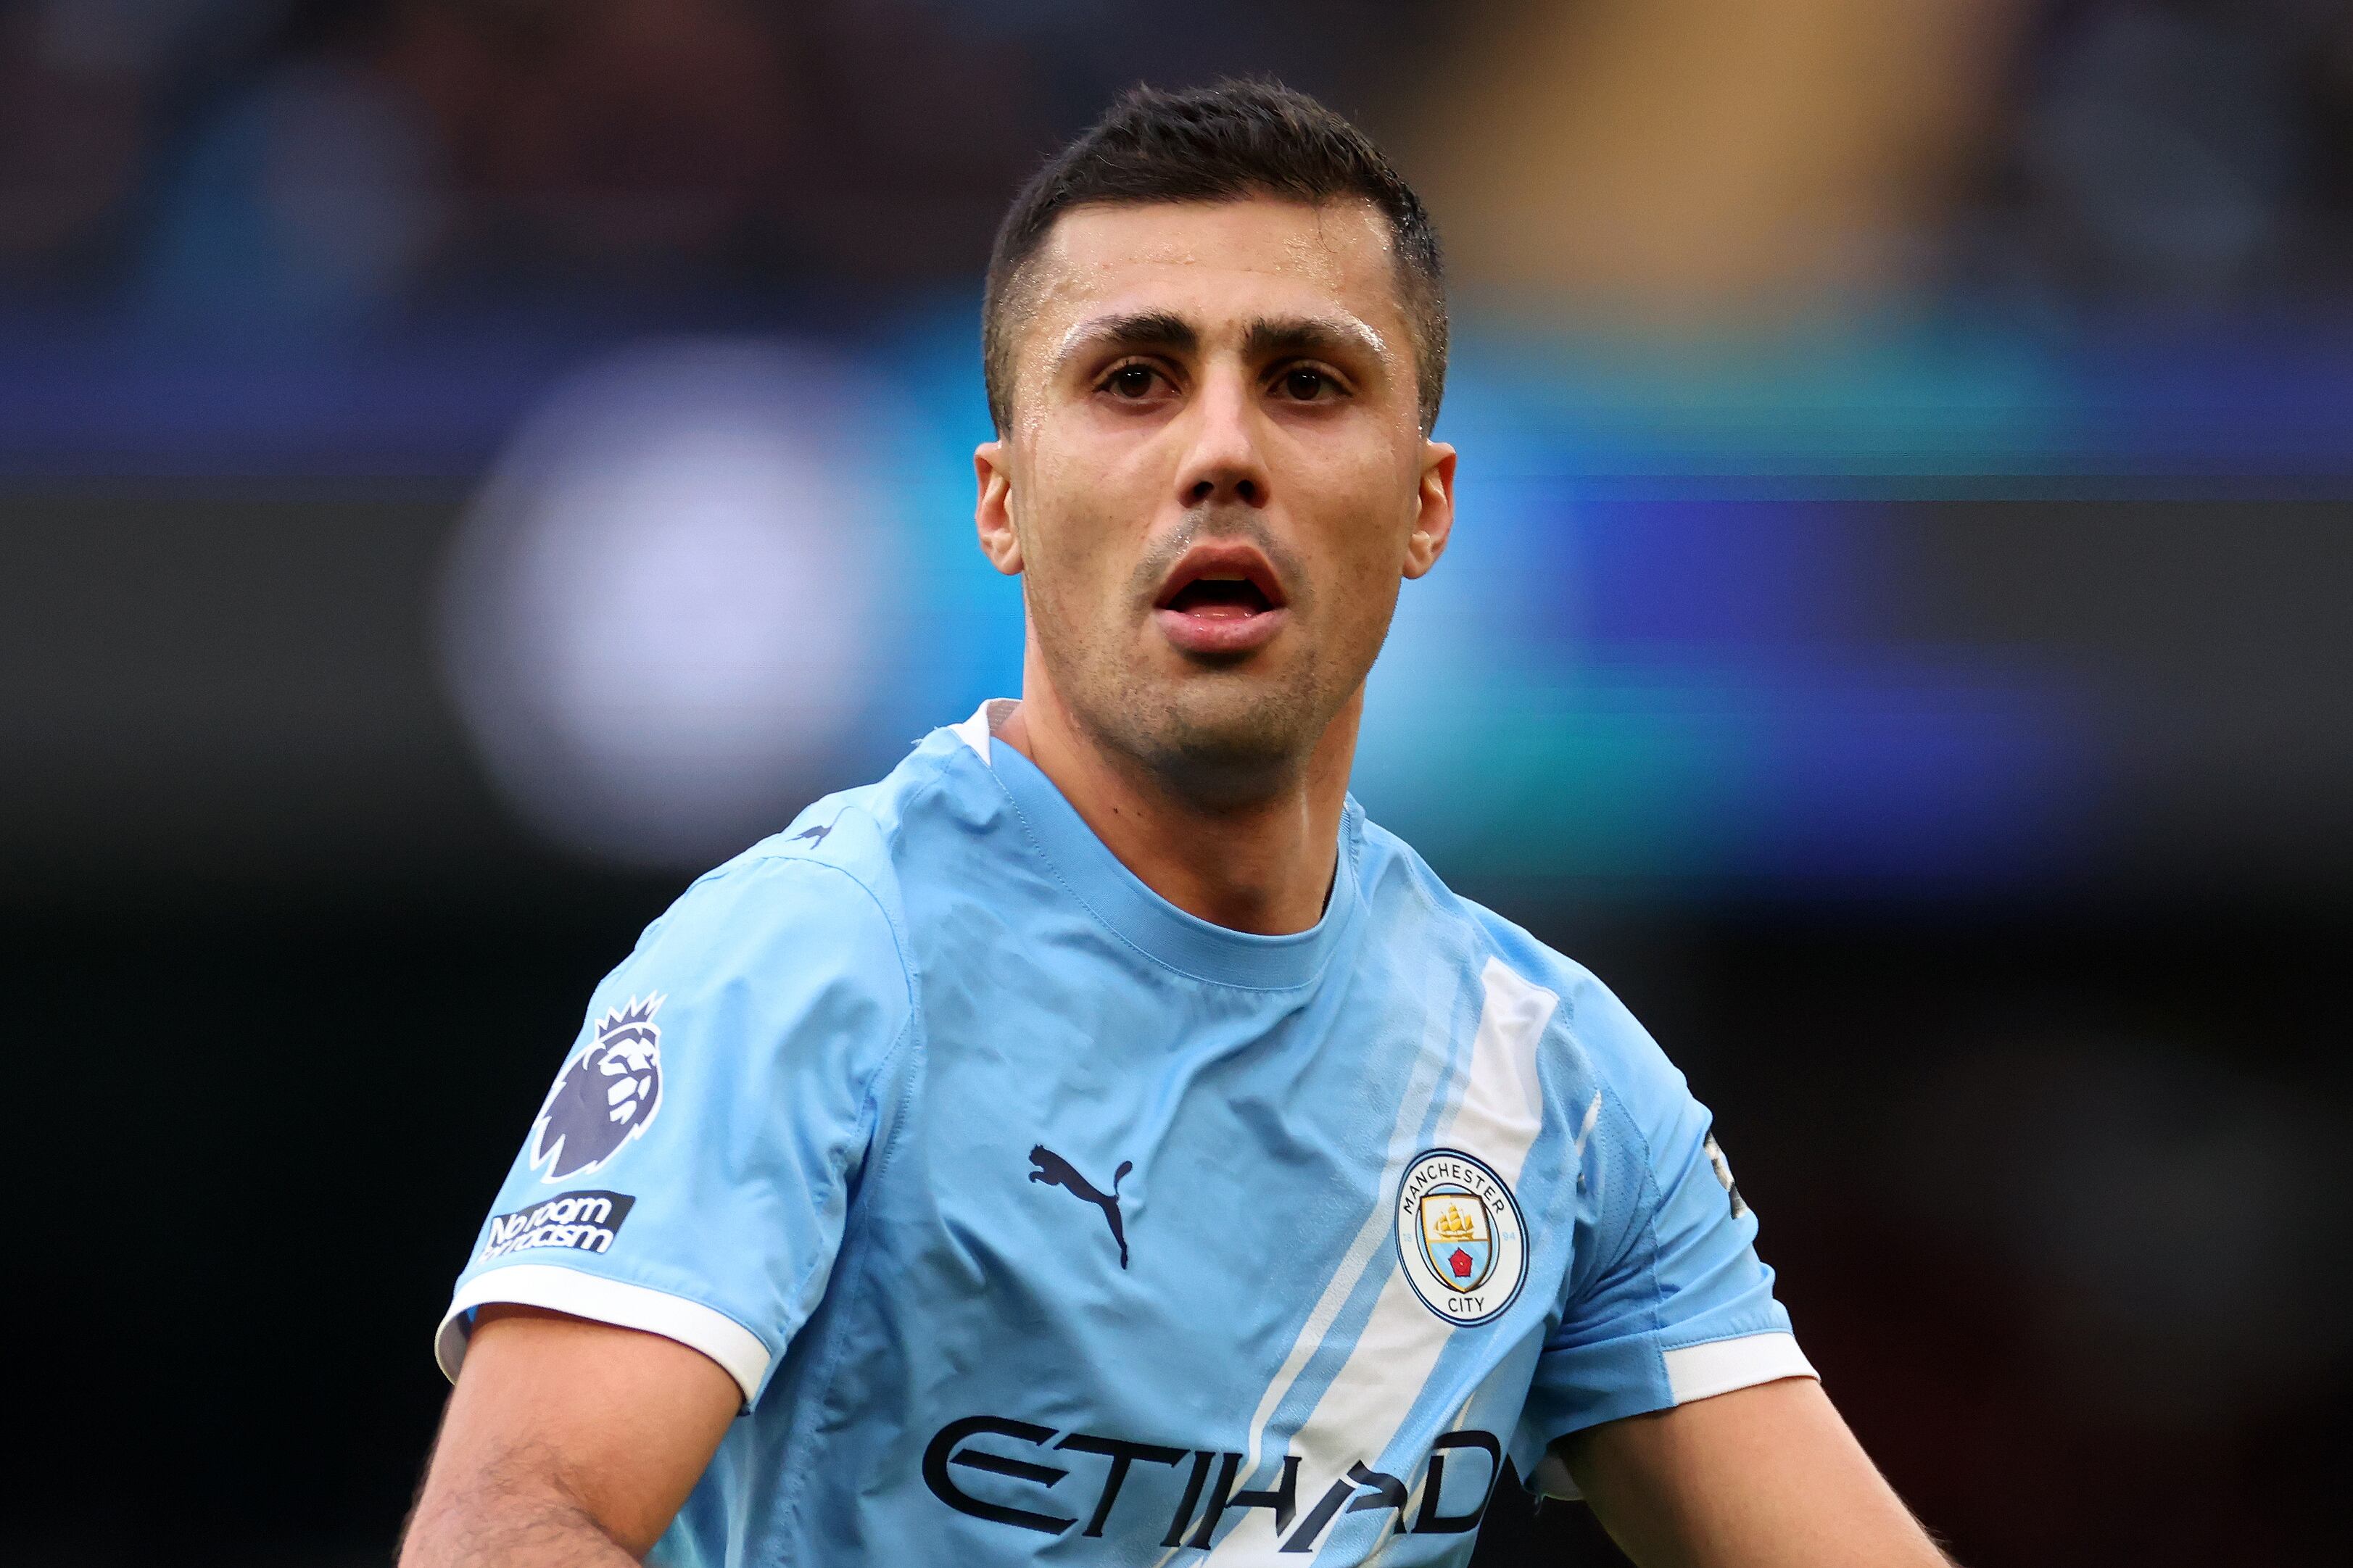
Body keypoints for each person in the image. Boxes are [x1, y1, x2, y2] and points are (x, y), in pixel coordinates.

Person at [400, 80, 1954, 1568]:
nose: (1222, 450)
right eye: (1134, 378)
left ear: (1427, 502)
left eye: (1307, 380)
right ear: (1002, 499)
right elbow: (503, 1526)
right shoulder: (813, 966)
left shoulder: (1552, 1082)